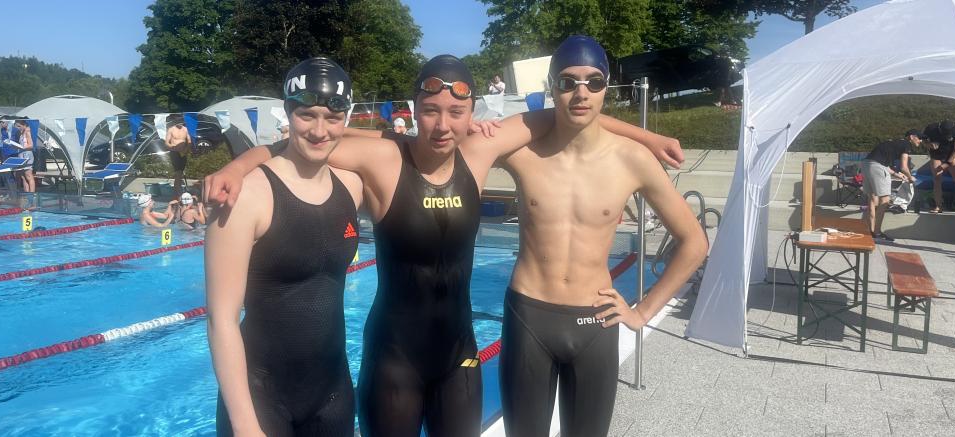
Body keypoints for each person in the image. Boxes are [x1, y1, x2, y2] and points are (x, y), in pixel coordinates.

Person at [204, 53, 686, 436]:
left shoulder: (479, 151)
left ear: (473, 113)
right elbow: (308, 138)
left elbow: (566, 114)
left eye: (456, 112)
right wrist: (236, 167)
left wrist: (646, 135)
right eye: (431, 111)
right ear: (413, 112)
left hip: (461, 355)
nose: (443, 124)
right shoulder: (382, 156)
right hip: (393, 359)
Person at [495, 35, 707, 437]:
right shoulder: (523, 153)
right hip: (529, 317)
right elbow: (471, 137)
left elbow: (695, 242)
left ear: (607, 88)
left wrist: (642, 312)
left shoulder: (632, 160)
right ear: (551, 87)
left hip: (595, 322)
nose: (581, 92)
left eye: (594, 82)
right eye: (567, 82)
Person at [207, 57, 364, 437]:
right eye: (306, 115)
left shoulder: (353, 187)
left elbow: (404, 147)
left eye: (332, 118)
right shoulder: (244, 196)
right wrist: (245, 425)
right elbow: (220, 319)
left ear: (347, 118)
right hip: (262, 398)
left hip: (333, 393)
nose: (319, 130)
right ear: (288, 112)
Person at [861, 130, 920, 241]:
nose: (921, 141)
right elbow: (904, 167)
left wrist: (897, 175)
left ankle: (870, 231)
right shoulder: (906, 144)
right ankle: (877, 233)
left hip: (866, 165)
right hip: (877, 167)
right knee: (885, 201)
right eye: (920, 138)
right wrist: (910, 177)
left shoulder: (892, 143)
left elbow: (880, 162)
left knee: (872, 199)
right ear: (912, 137)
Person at [924, 120, 955, 215]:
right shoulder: (930, 128)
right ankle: (938, 205)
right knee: (937, 179)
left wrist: (948, 163)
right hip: (936, 155)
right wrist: (929, 145)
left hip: (951, 155)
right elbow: (923, 140)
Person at [165, 118, 192, 198]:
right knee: (178, 173)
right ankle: (177, 193)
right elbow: (167, 143)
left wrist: (186, 149)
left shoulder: (185, 129)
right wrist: (173, 147)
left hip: (183, 153)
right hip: (174, 152)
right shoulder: (171, 129)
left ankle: (178, 192)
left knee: (180, 173)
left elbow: (189, 141)